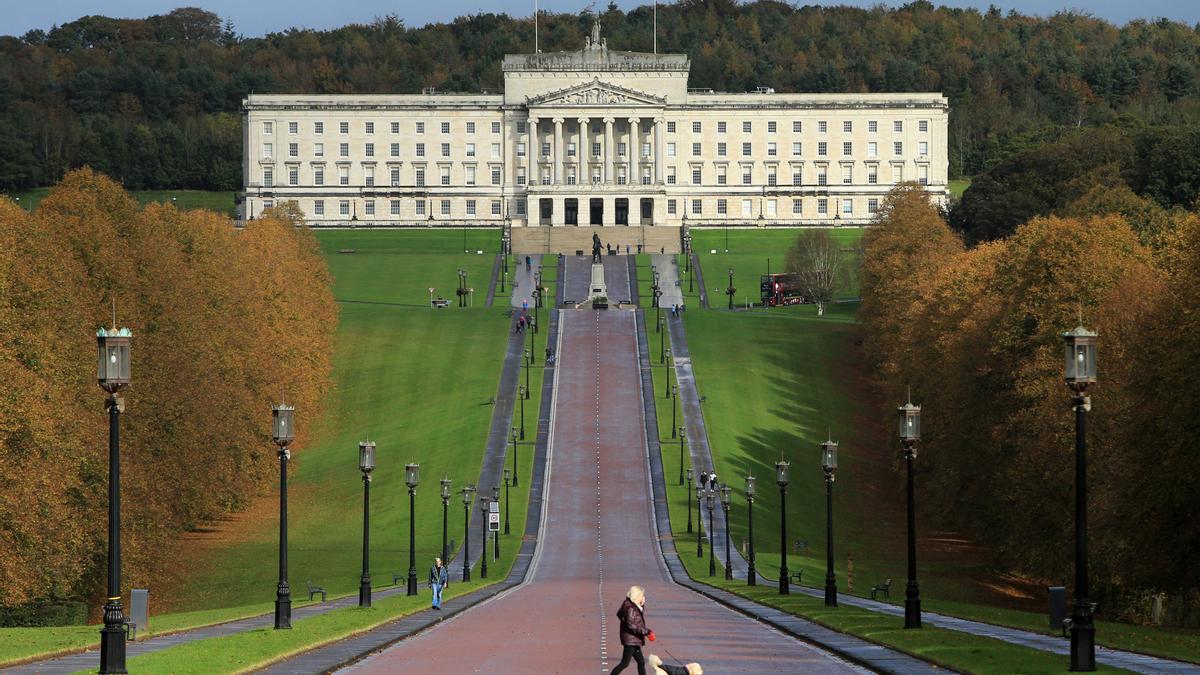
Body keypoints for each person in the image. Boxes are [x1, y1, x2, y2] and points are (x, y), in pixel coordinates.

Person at [611, 585, 652, 675]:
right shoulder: (631, 608)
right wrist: (646, 632)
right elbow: (631, 625)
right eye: (642, 595)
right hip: (631, 640)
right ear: (637, 596)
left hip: (634, 639)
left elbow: (636, 618)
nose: (643, 597)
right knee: (624, 663)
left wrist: (642, 605)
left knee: (641, 662)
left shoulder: (632, 606)